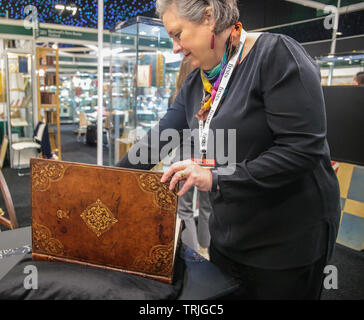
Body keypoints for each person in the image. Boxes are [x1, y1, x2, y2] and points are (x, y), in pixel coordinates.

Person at [117, 0, 341, 300]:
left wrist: (216, 178)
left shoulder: (275, 55)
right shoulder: (198, 82)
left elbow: (301, 150)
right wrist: (108, 180)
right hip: (231, 236)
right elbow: (159, 139)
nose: (175, 47)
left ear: (208, 17)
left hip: (286, 241)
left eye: (177, 34)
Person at [170, 57, 212, 259]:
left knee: (184, 209)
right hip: (211, 153)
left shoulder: (181, 94)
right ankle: (206, 249)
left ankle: (194, 256)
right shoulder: (211, 91)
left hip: (186, 154)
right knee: (207, 207)